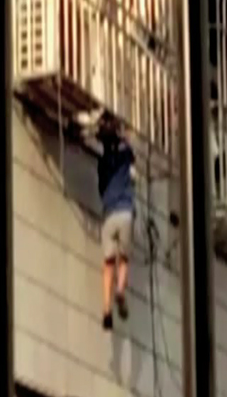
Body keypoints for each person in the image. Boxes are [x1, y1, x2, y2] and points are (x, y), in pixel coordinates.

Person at [74, 108, 138, 330]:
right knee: (124, 258)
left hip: (109, 213)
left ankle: (106, 310)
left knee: (108, 262)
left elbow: (102, 188)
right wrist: (124, 133)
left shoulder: (103, 160)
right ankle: (120, 290)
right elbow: (131, 144)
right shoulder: (126, 153)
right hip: (126, 211)